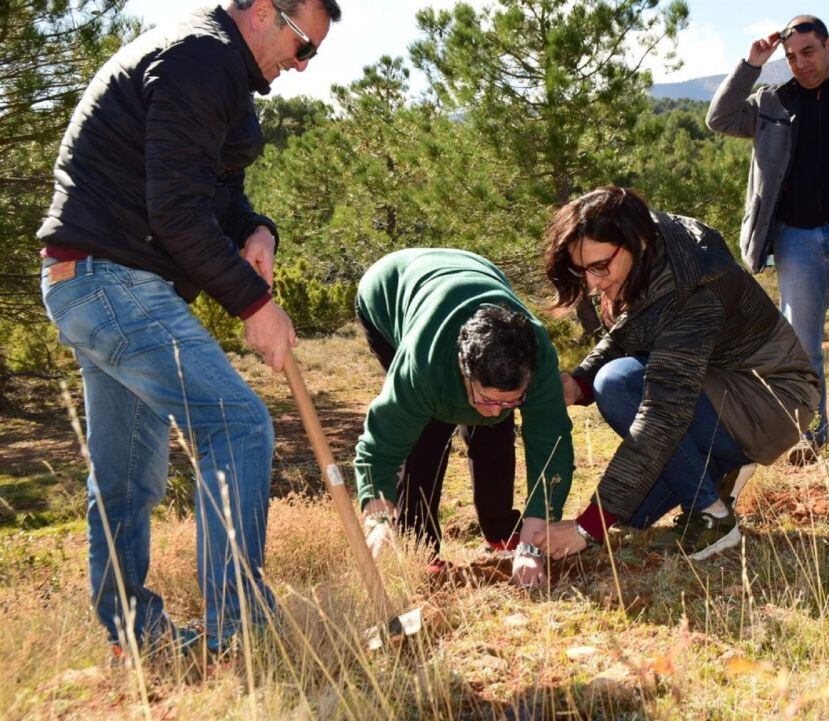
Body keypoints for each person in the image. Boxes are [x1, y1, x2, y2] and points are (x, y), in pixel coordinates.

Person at [37, 0, 341, 657]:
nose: (302, 63)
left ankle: (136, 639)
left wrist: (259, 230)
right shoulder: (200, 58)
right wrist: (255, 306)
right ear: (262, 11)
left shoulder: (218, 71)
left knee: (124, 477)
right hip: (113, 279)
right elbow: (174, 210)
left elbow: (216, 196)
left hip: (85, 283)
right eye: (302, 45)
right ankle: (239, 635)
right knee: (238, 423)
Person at [535, 187, 819, 561]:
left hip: (772, 400)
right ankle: (720, 470)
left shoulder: (691, 286)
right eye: (581, 269)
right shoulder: (652, 246)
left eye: (600, 267)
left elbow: (663, 414)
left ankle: (713, 518)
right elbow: (636, 327)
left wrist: (589, 526)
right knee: (635, 516)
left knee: (617, 384)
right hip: (724, 388)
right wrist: (579, 382)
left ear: (633, 241)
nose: (591, 284)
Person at [706, 15, 829, 461]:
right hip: (794, 239)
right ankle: (811, 433)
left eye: (808, 52)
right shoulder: (772, 102)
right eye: (790, 57)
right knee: (802, 343)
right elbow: (719, 118)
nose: (800, 64)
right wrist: (752, 64)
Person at [353, 249, 576, 587]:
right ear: (463, 369)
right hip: (388, 290)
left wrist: (533, 546)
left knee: (493, 430)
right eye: (485, 398)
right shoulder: (423, 367)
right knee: (428, 431)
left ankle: (503, 531)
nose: (493, 410)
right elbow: (380, 448)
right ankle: (418, 545)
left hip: (470, 269)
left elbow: (551, 446)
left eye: (512, 401)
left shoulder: (538, 356)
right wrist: (379, 519)